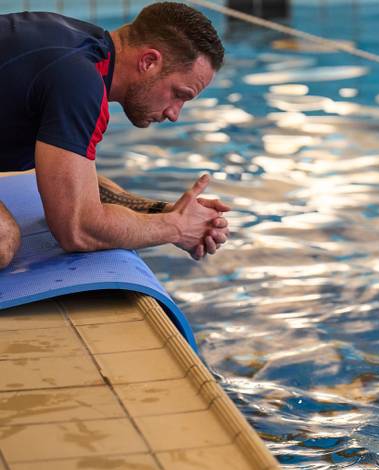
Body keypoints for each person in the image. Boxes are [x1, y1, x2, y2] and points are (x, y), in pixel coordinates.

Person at [0, 2, 229, 270]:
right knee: (3, 239)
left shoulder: (85, 53)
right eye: (179, 94)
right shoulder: (78, 81)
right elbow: (78, 230)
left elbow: (75, 182)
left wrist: (167, 213)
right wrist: (176, 228)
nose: (174, 113)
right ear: (149, 61)